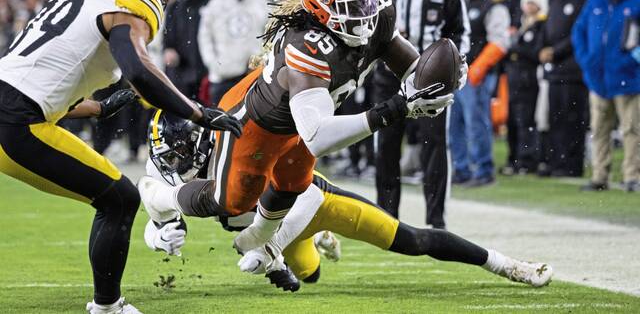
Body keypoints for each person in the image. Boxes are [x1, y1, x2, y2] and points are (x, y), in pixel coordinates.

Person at [138, 0, 464, 262]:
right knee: (233, 201)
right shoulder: (305, 44)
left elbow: (404, 59)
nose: (365, 15)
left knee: (293, 184)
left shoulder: (376, 14)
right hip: (261, 123)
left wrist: (434, 81)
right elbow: (318, 137)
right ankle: (159, 197)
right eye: (351, 7)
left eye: (364, 2)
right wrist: (396, 108)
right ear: (320, 8)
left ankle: (259, 241)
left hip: (304, 119)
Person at [0, 0, 242, 314]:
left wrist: (95, 107)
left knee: (115, 197)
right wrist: (198, 112)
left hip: (13, 110)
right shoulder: (127, 1)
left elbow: (26, 79)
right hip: (18, 123)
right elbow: (140, 71)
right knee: (118, 199)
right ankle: (107, 307)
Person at [142, 111, 553, 291]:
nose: (174, 166)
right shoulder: (168, 166)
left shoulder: (239, 152)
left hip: (310, 204)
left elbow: (299, 194)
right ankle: (311, 246)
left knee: (412, 241)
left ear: (198, 144)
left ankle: (508, 265)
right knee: (310, 278)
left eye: (178, 156)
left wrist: (272, 245)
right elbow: (152, 209)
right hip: (269, 230)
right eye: (168, 158)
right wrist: (159, 237)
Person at [373, 0, 470, 228]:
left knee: (434, 146)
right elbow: (367, 25)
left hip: (431, 76)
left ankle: (436, 219)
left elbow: (460, 30)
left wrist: (455, 64)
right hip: (390, 72)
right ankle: (386, 219)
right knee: (387, 144)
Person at [573, 0, 640, 192]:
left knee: (632, 130)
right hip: (598, 79)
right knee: (599, 130)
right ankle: (600, 176)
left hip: (629, 78)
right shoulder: (596, 2)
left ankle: (632, 177)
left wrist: (633, 59)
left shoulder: (637, 0)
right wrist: (586, 59)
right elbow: (578, 31)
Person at [450, 0, 510, 186]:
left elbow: (500, 42)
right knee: (454, 125)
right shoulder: (457, 5)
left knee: (477, 123)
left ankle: (483, 170)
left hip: (478, 74)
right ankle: (461, 169)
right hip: (456, 75)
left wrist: (479, 67)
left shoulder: (492, 6)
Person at [538, 0, 591, 178]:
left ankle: (572, 164)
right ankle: (557, 162)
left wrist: (555, 51)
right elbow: (548, 28)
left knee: (573, 120)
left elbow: (578, 32)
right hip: (555, 71)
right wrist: (543, 49)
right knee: (556, 118)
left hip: (574, 70)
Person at [198, 0, 269, 106]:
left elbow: (270, 38)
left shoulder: (263, 5)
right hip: (222, 73)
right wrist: (211, 62)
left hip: (251, 74)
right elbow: (204, 35)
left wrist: (261, 61)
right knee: (219, 118)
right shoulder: (217, 3)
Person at [505, 0, 548, 175]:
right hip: (515, 78)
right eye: (528, 2)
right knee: (513, 120)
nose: (529, 6)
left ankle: (527, 159)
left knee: (526, 120)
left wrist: (515, 47)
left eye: (533, 3)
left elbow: (535, 52)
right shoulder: (522, 24)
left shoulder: (540, 26)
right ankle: (514, 158)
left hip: (528, 79)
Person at [163, 0, 213, 101]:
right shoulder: (175, 7)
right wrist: (168, 50)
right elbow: (167, 38)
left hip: (208, 71)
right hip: (182, 72)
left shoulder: (212, 1)